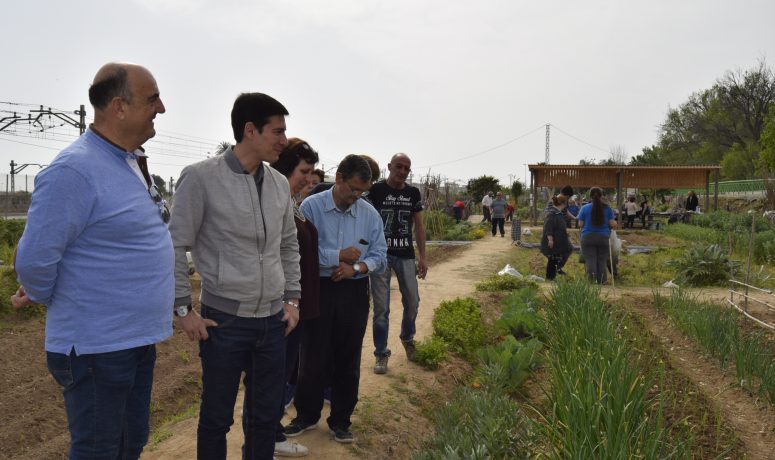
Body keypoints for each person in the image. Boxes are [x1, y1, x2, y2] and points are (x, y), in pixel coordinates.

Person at [12, 62, 172, 459]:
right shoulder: (75, 170)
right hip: (97, 348)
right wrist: (49, 293)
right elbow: (34, 261)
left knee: (128, 444)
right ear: (119, 107)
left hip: (133, 339)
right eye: (152, 99)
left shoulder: (128, 161)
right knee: (99, 451)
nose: (162, 108)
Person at [169, 92, 302, 460]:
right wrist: (183, 309)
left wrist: (292, 300)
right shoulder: (200, 178)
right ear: (249, 130)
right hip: (224, 321)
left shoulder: (277, 183)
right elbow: (175, 245)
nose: (284, 140)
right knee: (215, 419)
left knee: (263, 418)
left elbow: (288, 246)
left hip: (273, 321)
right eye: (277, 131)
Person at [285, 155, 387, 444]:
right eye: (352, 189)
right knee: (313, 354)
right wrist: (336, 257)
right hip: (319, 288)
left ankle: (341, 420)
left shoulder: (369, 215)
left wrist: (355, 267)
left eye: (361, 192)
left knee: (348, 355)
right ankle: (306, 415)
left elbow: (378, 255)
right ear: (339, 178)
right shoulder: (311, 208)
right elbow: (301, 253)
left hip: (353, 292)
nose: (356, 197)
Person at [266, 138, 321, 458]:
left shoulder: (292, 204)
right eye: (304, 171)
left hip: (296, 305)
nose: (309, 178)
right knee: (272, 375)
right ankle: (267, 437)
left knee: (282, 373)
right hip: (281, 307)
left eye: (312, 172)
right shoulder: (276, 206)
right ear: (285, 169)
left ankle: (271, 433)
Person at [369, 153, 428, 375]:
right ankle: (381, 353)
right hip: (380, 256)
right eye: (399, 166)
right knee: (381, 308)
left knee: (412, 301)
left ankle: (407, 337)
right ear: (389, 167)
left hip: (405, 255)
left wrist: (423, 257)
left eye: (406, 168)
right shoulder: (376, 191)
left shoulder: (413, 193)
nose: (402, 171)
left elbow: (419, 227)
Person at [576, 186, 617, 284]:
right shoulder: (607, 208)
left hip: (587, 237)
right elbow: (612, 224)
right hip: (603, 237)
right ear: (601, 196)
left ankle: (591, 282)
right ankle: (602, 282)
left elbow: (580, 224)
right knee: (602, 261)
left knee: (590, 260)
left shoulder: (584, 208)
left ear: (590, 196)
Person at [540, 195, 572, 280]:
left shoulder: (558, 213)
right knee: (552, 259)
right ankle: (550, 278)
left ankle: (554, 273)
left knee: (556, 257)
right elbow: (548, 227)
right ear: (563, 204)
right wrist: (550, 239)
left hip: (559, 240)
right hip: (553, 240)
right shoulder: (552, 213)